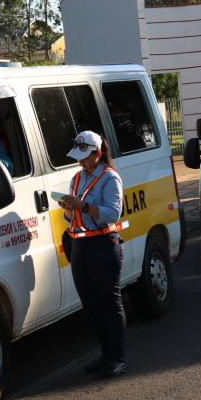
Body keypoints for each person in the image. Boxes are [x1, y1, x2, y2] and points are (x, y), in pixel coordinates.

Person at [57, 130, 127, 378]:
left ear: (98, 153)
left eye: (85, 157)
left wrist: (83, 206)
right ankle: (106, 354)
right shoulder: (77, 179)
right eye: (78, 158)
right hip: (81, 246)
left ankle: (117, 357)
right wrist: (68, 208)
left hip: (104, 245)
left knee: (110, 302)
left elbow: (112, 214)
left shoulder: (110, 178)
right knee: (91, 304)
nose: (81, 162)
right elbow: (70, 217)